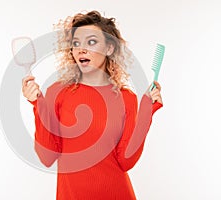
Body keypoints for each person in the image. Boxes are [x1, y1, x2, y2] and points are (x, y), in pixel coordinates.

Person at [22, 10, 163, 200]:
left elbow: (125, 162)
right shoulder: (58, 93)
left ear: (109, 49)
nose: (81, 49)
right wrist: (37, 103)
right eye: (76, 43)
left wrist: (147, 110)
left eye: (91, 42)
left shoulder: (126, 98)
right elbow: (47, 157)